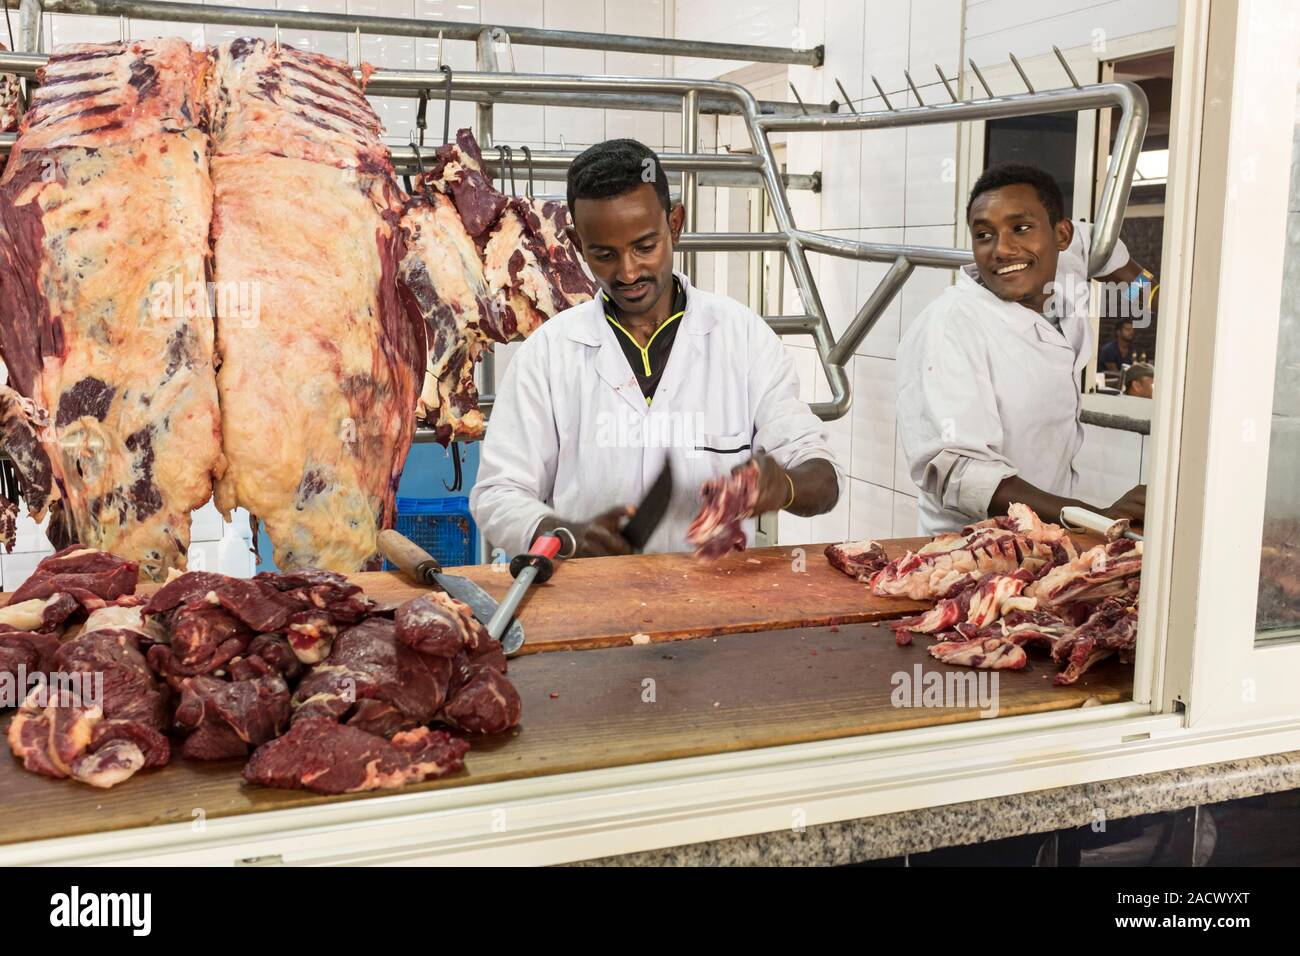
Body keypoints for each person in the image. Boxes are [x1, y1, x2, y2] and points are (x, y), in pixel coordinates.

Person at [470, 139, 842, 557]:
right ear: (577, 243)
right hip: (590, 607)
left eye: (645, 247)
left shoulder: (744, 339)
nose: (628, 272)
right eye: (604, 254)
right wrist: (565, 533)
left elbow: (823, 479)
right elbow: (497, 494)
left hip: (714, 602)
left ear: (676, 224)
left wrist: (784, 486)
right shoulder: (548, 356)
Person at [897, 162, 1148, 535]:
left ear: (1061, 235)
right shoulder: (950, 326)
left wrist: (1153, 298)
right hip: (973, 553)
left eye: (1021, 228)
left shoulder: (1065, 266)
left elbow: (1124, 273)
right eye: (984, 235)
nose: (1002, 249)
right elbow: (961, 473)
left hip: (1049, 540)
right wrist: (1091, 517)